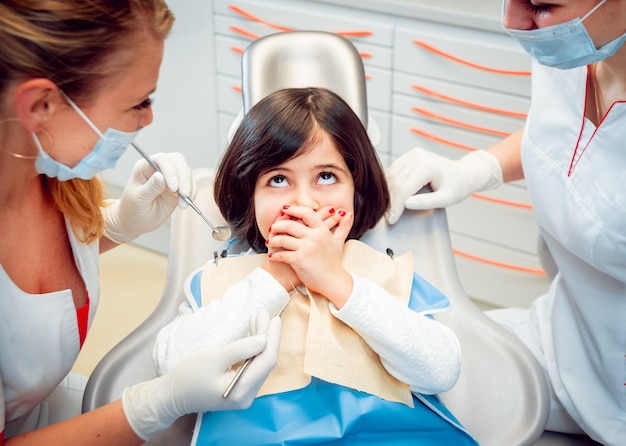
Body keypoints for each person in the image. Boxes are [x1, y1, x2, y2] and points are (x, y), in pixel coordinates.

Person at [0, 1, 281, 444]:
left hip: (40, 409)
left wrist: (117, 224)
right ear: (40, 105)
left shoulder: (49, 173)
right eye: (138, 102)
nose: (147, 119)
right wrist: (159, 402)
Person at [153, 87, 478, 445]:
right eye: (278, 180)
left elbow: (441, 372)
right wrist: (279, 276)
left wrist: (336, 281)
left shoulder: (385, 271)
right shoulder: (222, 279)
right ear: (250, 197)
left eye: (326, 176)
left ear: (356, 188)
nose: (304, 201)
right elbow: (171, 369)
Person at [385, 1, 626, 444]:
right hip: (558, 332)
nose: (513, 21)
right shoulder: (579, 48)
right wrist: (478, 168)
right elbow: (561, 132)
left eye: (541, 5)